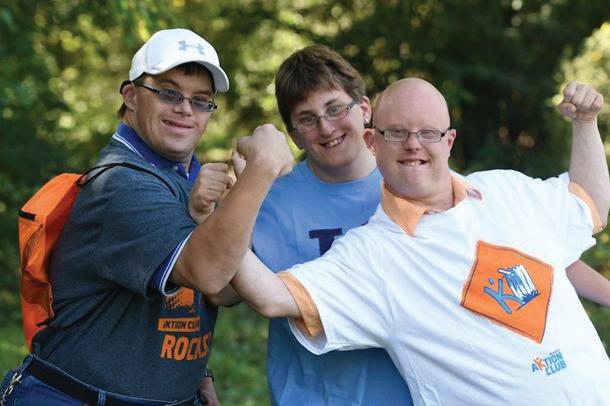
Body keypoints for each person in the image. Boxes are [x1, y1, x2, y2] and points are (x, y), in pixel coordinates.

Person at [230, 78, 610, 404]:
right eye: (396, 133)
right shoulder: (371, 255)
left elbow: (589, 205)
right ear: (373, 141)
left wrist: (585, 122)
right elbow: (270, 296)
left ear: (449, 141)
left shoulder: (508, 190)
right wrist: (240, 196)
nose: (413, 144)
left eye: (428, 133)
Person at [0, 28, 293, 405]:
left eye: (200, 100)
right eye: (169, 93)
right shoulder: (121, 185)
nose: (185, 109)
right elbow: (207, 271)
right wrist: (261, 171)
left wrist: (191, 375)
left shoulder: (189, 181)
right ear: (131, 96)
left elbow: (223, 289)